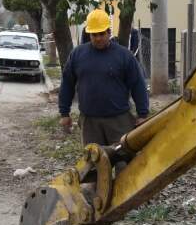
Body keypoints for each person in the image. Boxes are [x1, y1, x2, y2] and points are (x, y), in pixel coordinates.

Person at [59, 9, 149, 147]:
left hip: (119, 121)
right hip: (90, 122)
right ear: (89, 34)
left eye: (102, 34)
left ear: (109, 32)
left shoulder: (124, 56)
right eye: (94, 34)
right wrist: (64, 113)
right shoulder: (77, 55)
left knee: (124, 163)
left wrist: (142, 114)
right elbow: (67, 84)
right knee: (93, 162)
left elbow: (138, 85)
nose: (98, 38)